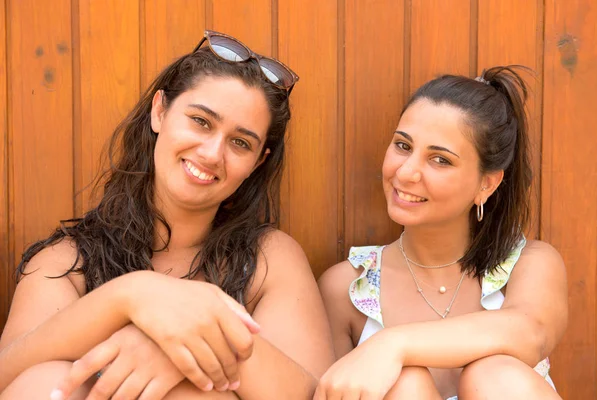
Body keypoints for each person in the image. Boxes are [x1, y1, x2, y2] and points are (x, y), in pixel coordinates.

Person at [0, 30, 334, 400]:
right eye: (201, 121)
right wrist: (129, 295)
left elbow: (315, 395)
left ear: (258, 162)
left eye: (240, 143)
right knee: (46, 381)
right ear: (160, 111)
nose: (211, 153)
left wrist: (193, 346)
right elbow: (9, 378)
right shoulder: (66, 262)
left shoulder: (270, 260)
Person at [316, 66, 567, 400]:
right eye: (403, 146)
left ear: (486, 184)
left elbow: (529, 333)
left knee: (494, 375)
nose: (405, 173)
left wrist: (393, 343)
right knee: (404, 385)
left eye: (440, 160)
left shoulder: (529, 264)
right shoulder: (347, 288)